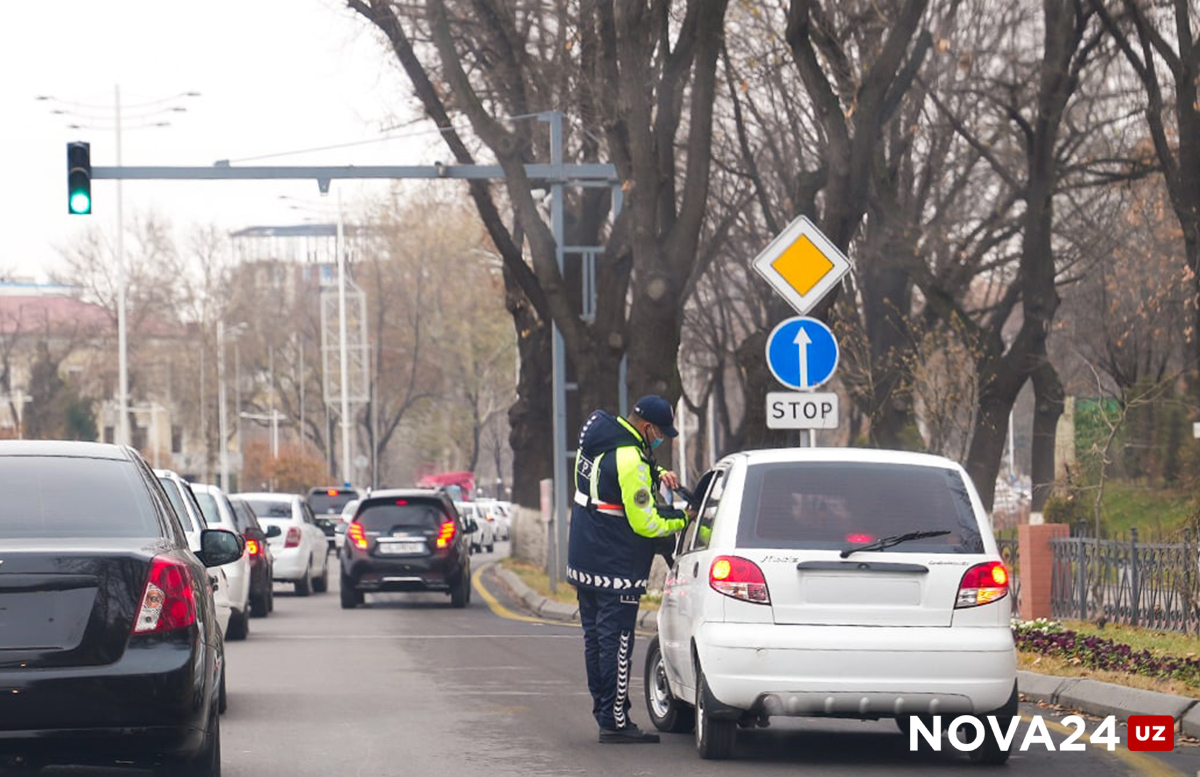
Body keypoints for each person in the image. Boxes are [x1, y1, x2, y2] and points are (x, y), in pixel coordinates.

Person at [567, 394, 690, 744]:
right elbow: (645, 522)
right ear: (648, 427)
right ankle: (616, 720)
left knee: (595, 640)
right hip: (616, 562)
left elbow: (612, 474)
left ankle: (603, 712)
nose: (661, 438)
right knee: (618, 642)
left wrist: (658, 472)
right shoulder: (630, 458)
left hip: (585, 557)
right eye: (661, 432)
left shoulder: (603, 437)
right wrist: (683, 520)